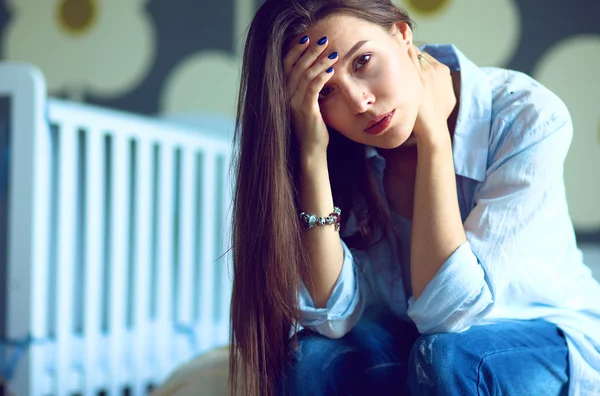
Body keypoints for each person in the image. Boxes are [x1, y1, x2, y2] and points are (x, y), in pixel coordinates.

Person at [228, 0, 600, 395]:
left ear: (402, 34)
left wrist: (434, 137)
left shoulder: (524, 115)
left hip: (541, 334)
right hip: (416, 337)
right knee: (311, 360)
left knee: (446, 357)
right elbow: (331, 317)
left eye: (362, 61)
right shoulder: (337, 145)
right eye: (325, 91)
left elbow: (448, 316)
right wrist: (311, 153)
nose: (359, 102)